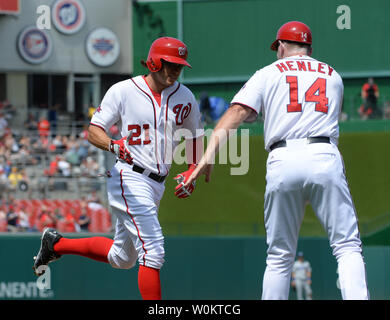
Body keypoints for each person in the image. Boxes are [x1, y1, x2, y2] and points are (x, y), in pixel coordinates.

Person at [183, 21, 369, 300]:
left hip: (283, 157)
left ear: (282, 46)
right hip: (324, 154)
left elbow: (236, 113)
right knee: (347, 247)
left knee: (279, 256)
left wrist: (208, 155)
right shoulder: (333, 75)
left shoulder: (268, 73)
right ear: (310, 47)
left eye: (277, 48)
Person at [32, 37, 204, 300]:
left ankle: (56, 244)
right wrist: (112, 145)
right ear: (154, 62)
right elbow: (93, 131)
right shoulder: (123, 90)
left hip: (158, 183)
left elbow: (194, 137)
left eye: (180, 66)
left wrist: (194, 168)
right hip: (129, 175)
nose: (175, 70)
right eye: (170, 64)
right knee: (154, 251)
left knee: (122, 258)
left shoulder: (185, 96)